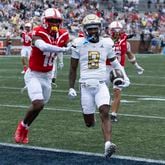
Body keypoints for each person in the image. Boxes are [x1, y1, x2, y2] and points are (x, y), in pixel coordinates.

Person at [68, 14, 128, 158]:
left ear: (100, 28)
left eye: (96, 28)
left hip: (101, 84)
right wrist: (71, 87)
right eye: (90, 29)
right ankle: (91, 119)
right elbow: (73, 68)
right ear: (85, 29)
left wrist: (124, 76)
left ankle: (108, 144)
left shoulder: (107, 43)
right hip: (85, 86)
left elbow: (114, 62)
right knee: (89, 123)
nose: (93, 31)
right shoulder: (78, 43)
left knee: (104, 112)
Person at [14, 8, 70, 144]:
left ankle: (26, 127)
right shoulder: (38, 31)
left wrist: (75, 45)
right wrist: (63, 49)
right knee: (37, 103)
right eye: (51, 20)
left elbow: (71, 45)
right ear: (45, 21)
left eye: (57, 21)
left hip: (47, 76)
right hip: (33, 74)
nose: (54, 24)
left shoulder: (63, 34)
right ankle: (21, 127)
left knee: (40, 106)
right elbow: (43, 47)